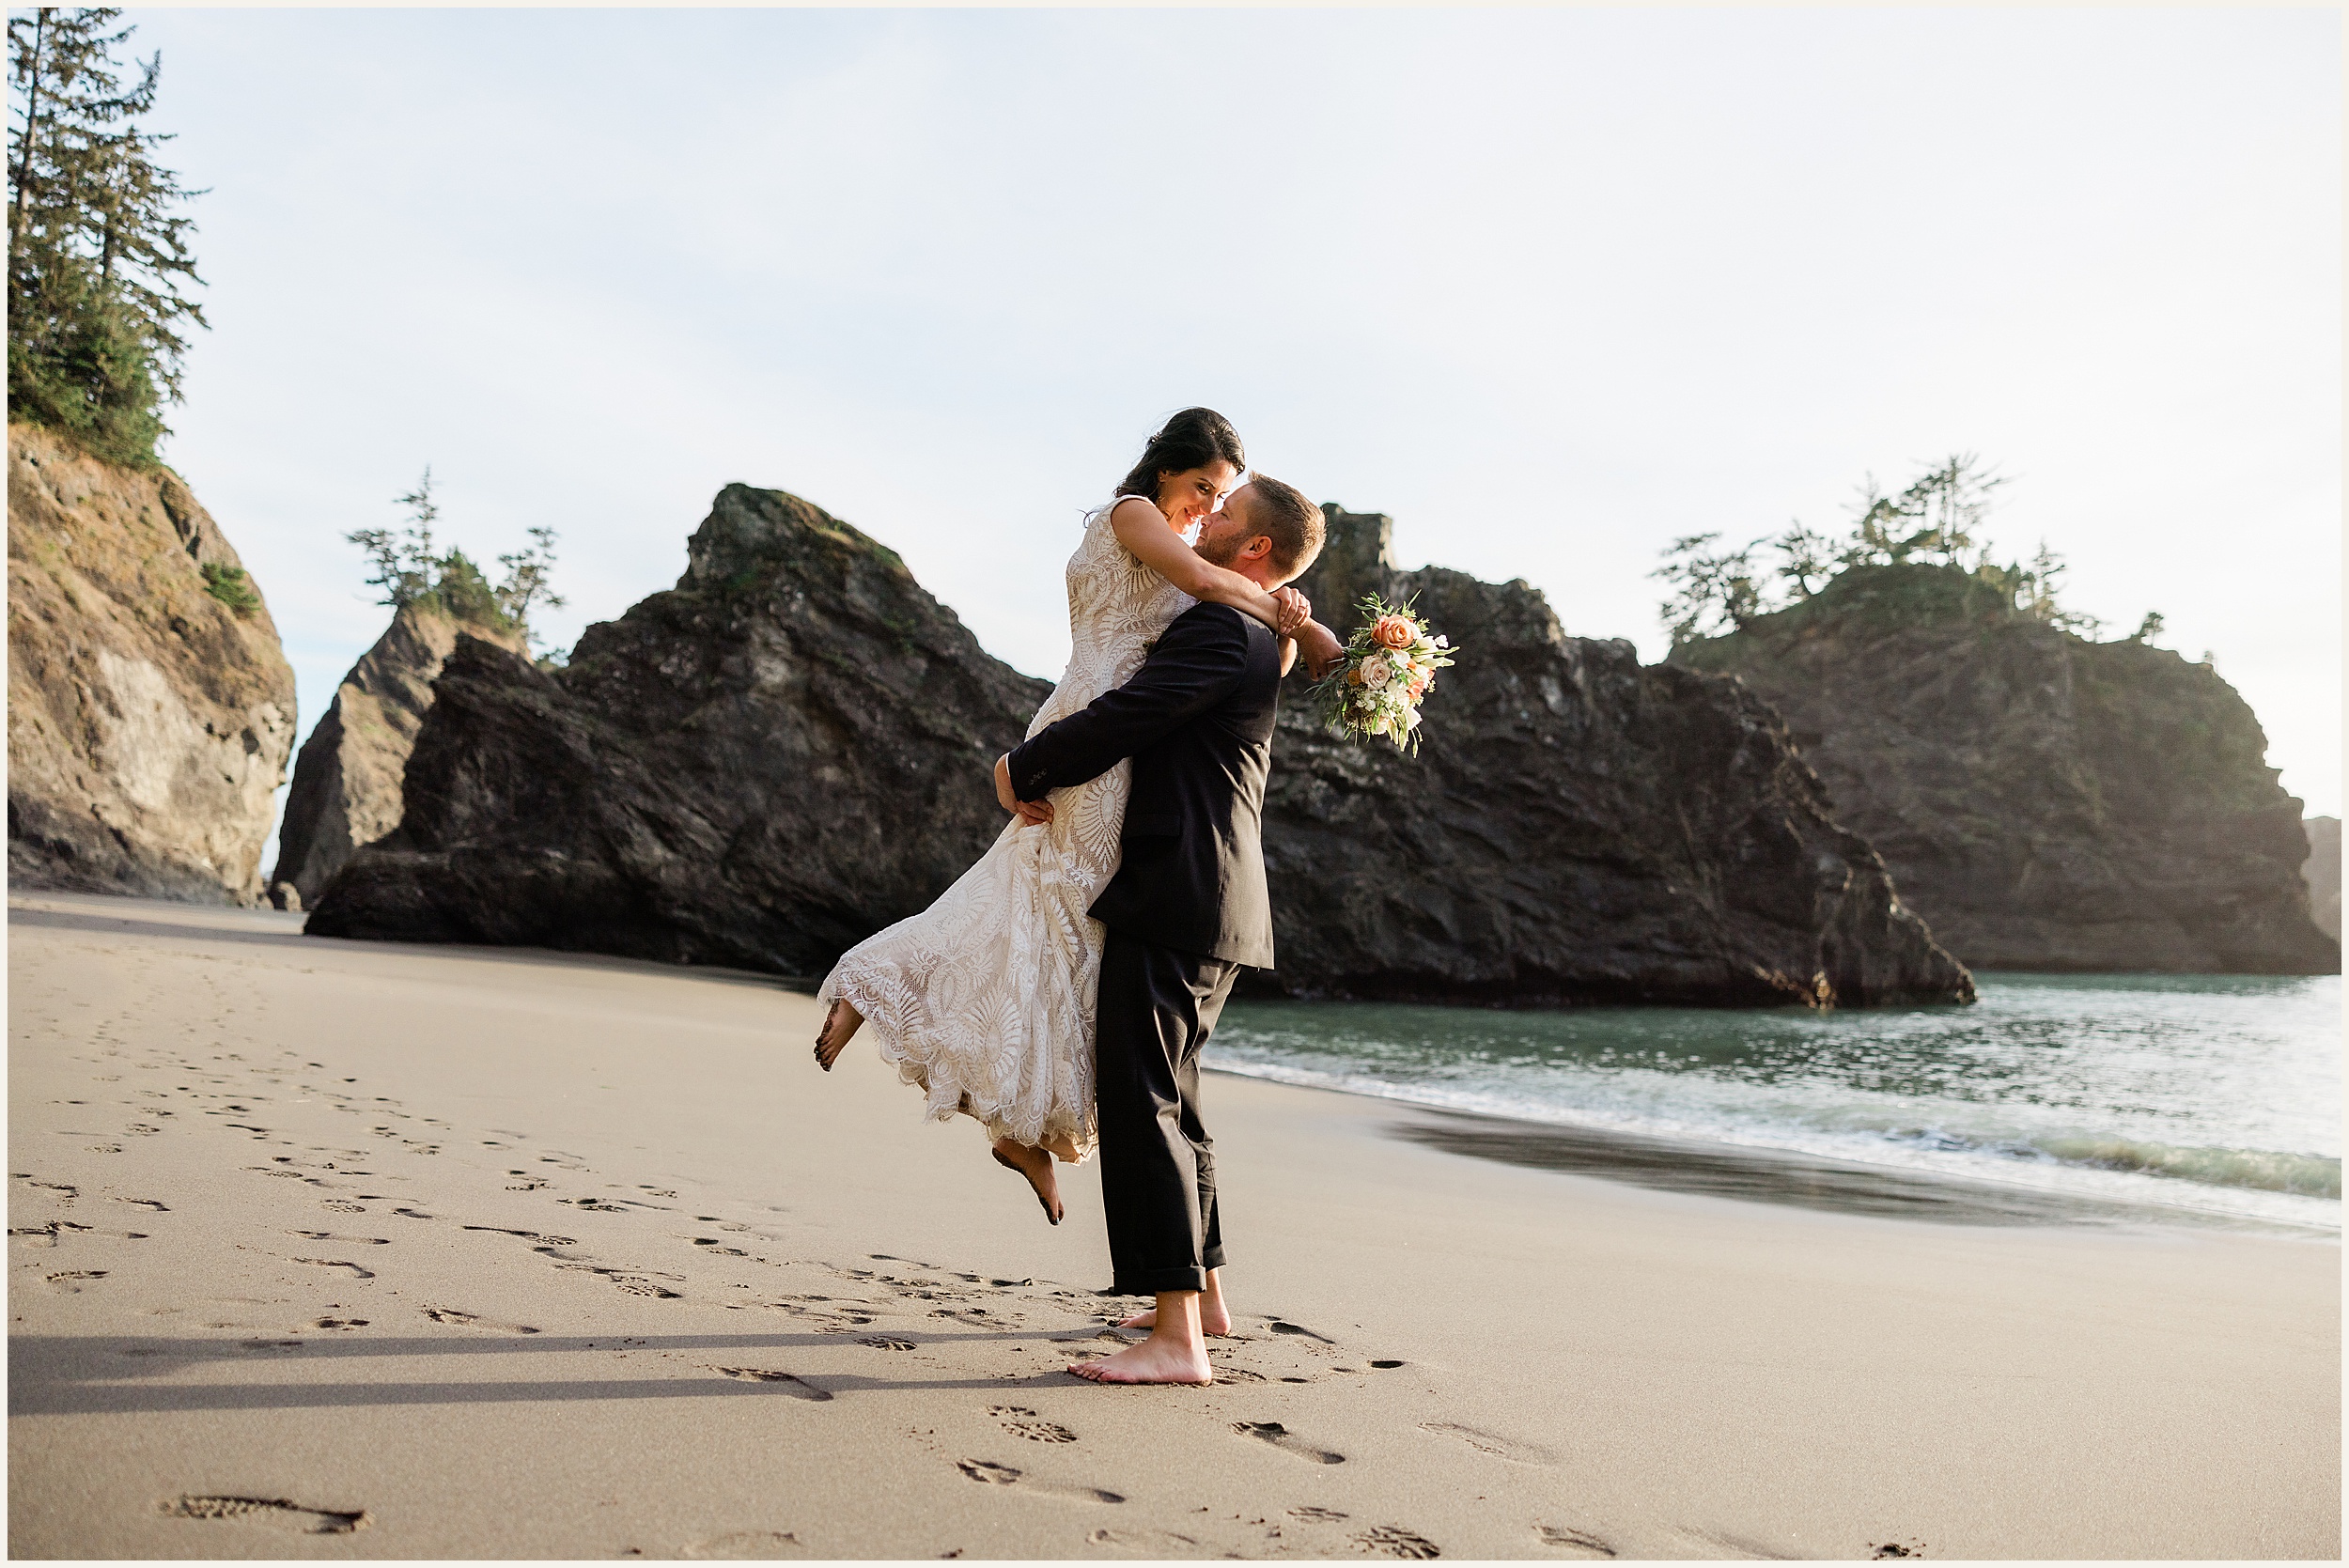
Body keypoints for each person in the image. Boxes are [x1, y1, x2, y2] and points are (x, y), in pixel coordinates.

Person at [810, 409, 1341, 1228]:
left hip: (1114, 743)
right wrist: (1284, 613)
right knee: (1048, 908)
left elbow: (1231, 597)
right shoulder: (1132, 515)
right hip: (1096, 732)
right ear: (1169, 468)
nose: (1207, 506)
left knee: (1049, 917)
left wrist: (1319, 634)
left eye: (1223, 498)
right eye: (1204, 487)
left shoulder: (1195, 553)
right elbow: (1207, 586)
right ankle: (887, 990)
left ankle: (1013, 1117)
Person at [997, 474, 1327, 1385]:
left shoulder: (1224, 627)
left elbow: (1130, 715)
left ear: (1255, 548)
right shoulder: (1259, 631)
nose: (1203, 519)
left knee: (1139, 1096)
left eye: (1224, 513)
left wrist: (1023, 762)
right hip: (1218, 897)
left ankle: (1176, 1338)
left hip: (1178, 889)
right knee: (1175, 1097)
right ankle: (1205, 1298)